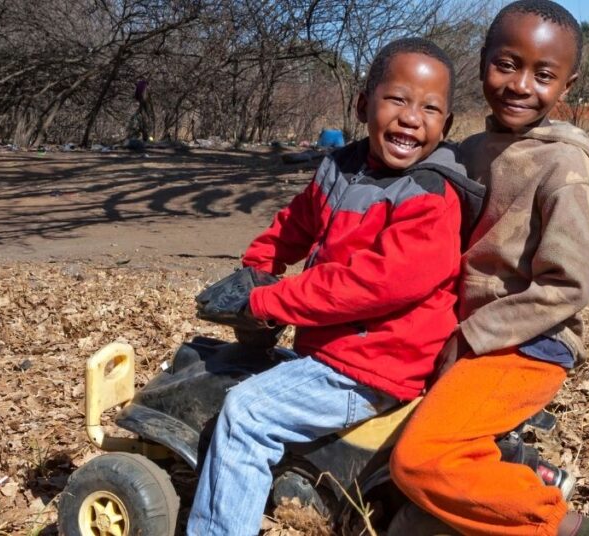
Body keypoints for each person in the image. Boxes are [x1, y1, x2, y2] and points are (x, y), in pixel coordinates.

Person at [187, 38, 482, 535]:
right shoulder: (342, 167)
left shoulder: (431, 196)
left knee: (246, 412)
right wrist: (259, 266)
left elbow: (369, 285)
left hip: (375, 365)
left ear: (447, 126)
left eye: (430, 108)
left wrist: (266, 301)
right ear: (363, 103)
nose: (412, 117)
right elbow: (295, 223)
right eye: (397, 99)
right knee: (226, 370)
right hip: (336, 350)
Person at [389, 2, 589, 536]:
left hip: (527, 341)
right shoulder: (471, 150)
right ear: (483, 63)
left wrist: (470, 337)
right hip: (461, 326)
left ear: (567, 87)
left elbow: (566, 286)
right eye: (507, 64)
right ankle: (510, 469)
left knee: (418, 459)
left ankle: (565, 525)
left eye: (543, 75)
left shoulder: (565, 169)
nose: (520, 85)